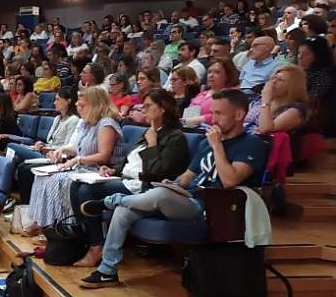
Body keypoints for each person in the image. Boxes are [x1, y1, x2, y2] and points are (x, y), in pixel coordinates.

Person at [78, 89, 268, 289]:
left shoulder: (251, 143)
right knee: (126, 210)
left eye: (219, 113)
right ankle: (108, 271)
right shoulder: (206, 142)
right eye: (213, 113)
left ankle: (111, 200)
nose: (213, 119)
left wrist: (218, 148)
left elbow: (230, 181)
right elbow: (187, 177)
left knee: (152, 197)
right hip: (187, 199)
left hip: (212, 208)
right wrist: (173, 184)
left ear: (239, 115)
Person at [69, 89, 189, 267]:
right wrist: (112, 170)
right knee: (76, 185)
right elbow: (131, 161)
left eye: (148, 106)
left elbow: (158, 172)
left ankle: (96, 246)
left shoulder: (175, 137)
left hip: (144, 186)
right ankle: (84, 240)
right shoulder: (149, 131)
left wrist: (153, 143)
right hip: (126, 178)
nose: (143, 110)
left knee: (88, 190)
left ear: (162, 109)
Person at [21, 86, 124, 237]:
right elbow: (76, 147)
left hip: (101, 171)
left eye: (82, 105)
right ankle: (44, 222)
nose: (77, 106)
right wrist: (61, 150)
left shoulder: (106, 124)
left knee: (58, 180)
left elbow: (104, 156)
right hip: (84, 169)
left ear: (95, 105)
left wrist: (77, 159)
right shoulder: (85, 123)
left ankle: (62, 228)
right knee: (41, 176)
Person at [10, 89, 81, 203]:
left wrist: (46, 148)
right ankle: (19, 202)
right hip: (46, 151)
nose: (54, 103)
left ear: (68, 101)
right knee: (21, 164)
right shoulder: (57, 118)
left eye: (58, 99)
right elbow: (51, 140)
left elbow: (67, 147)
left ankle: (27, 204)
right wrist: (42, 145)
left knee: (12, 147)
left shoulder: (73, 120)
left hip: (56, 156)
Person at [244, 65, 308, 134]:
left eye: (281, 80)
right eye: (274, 78)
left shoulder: (294, 111)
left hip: (265, 142)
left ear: (293, 86)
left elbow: (265, 129)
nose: (274, 81)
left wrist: (266, 100)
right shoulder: (258, 101)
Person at [182, 59, 240, 128]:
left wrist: (197, 120)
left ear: (227, 75)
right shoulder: (202, 94)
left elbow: (224, 115)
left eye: (217, 72)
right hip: (189, 128)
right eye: (209, 72)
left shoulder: (231, 94)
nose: (211, 75)